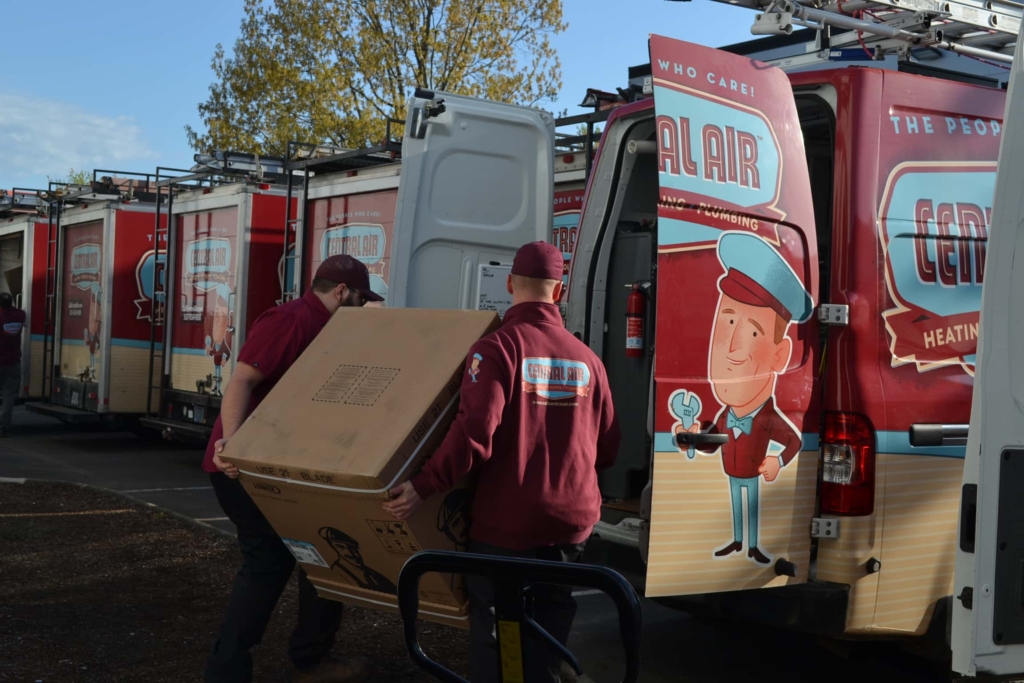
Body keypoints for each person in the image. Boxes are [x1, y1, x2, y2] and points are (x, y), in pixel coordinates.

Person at [383, 241, 621, 683]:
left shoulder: (496, 349)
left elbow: (475, 434)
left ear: (510, 283)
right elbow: (607, 448)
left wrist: (423, 485)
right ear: (560, 290)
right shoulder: (589, 361)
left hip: (507, 528)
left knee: (499, 633)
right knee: (550, 627)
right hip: (570, 526)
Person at [203, 254, 382, 683]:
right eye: (359, 299)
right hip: (241, 467)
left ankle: (311, 659)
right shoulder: (292, 320)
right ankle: (231, 669)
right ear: (340, 292)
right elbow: (243, 378)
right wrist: (234, 445)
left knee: (324, 556)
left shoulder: (327, 326)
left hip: (281, 468)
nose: (361, 308)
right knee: (269, 562)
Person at [673, 232, 813, 565]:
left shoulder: (768, 418)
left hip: (751, 474)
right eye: (728, 322)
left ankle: (751, 544)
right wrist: (688, 436)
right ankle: (737, 541)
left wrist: (777, 461)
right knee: (736, 504)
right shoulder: (726, 414)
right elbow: (713, 438)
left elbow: (793, 442)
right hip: (734, 474)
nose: (732, 347)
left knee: (750, 505)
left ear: (780, 357)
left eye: (752, 332)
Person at [0, 292, 26, 438]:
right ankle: (3, 426)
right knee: (9, 397)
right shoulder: (19, 316)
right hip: (13, 363)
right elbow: (20, 312)